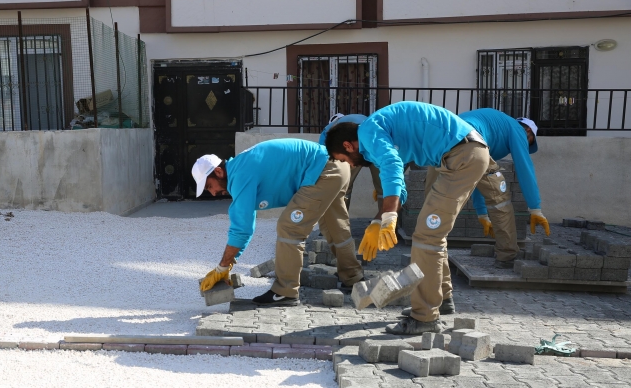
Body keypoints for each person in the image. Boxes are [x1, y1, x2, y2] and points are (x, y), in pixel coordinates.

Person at [324, 101, 498, 334]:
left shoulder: (368, 131)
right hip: (462, 153)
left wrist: (389, 215)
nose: (350, 164)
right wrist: (379, 220)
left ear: (348, 145)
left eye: (344, 159)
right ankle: (442, 300)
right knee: (432, 235)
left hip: (462, 155)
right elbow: (399, 182)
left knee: (427, 237)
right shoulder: (384, 133)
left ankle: (424, 318)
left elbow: (392, 165)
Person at [194, 139, 364, 306]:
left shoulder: (240, 175)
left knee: (289, 227)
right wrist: (227, 265)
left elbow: (241, 230)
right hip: (336, 165)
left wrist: (222, 268)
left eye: (209, 186)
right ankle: (353, 277)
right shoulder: (241, 167)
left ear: (218, 172)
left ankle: (285, 292)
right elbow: (246, 225)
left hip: (322, 171)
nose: (214, 193)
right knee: (334, 226)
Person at [456, 109, 548, 268]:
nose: (527, 145)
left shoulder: (497, 126)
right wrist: (535, 208)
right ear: (528, 130)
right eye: (530, 141)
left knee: (438, 197)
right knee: (500, 200)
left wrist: (482, 212)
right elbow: (524, 168)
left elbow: (478, 174)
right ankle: (507, 256)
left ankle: (427, 254)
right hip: (470, 139)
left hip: (446, 139)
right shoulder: (517, 129)